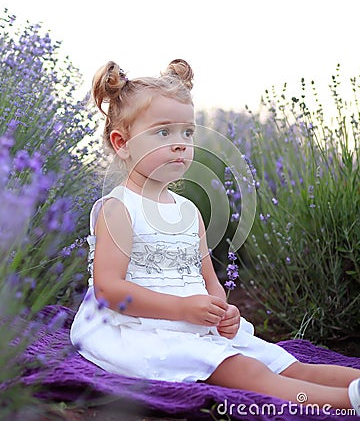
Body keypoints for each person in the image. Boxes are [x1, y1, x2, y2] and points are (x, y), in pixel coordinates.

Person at [70, 59, 360, 414]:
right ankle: (347, 403)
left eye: (187, 133)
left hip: (194, 322)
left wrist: (223, 311)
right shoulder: (120, 208)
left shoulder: (189, 212)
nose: (180, 144)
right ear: (122, 143)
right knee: (249, 372)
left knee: (283, 363)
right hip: (140, 329)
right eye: (164, 132)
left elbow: (208, 281)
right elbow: (109, 290)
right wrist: (181, 308)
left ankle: (352, 383)